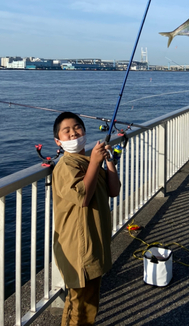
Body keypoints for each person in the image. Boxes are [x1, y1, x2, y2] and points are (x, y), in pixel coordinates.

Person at [52, 111, 121, 326]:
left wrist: (108, 161)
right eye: (67, 131)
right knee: (80, 307)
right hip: (78, 247)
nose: (73, 134)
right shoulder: (66, 166)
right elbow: (82, 197)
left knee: (86, 303)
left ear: (85, 131)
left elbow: (114, 190)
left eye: (77, 128)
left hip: (93, 242)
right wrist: (95, 162)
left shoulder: (88, 160)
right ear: (58, 141)